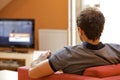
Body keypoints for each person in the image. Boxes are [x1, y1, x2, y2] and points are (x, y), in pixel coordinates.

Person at [29, 7, 120, 78]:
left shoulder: (66, 55)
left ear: (80, 31)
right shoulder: (116, 50)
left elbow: (32, 73)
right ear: (102, 28)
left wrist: (39, 60)